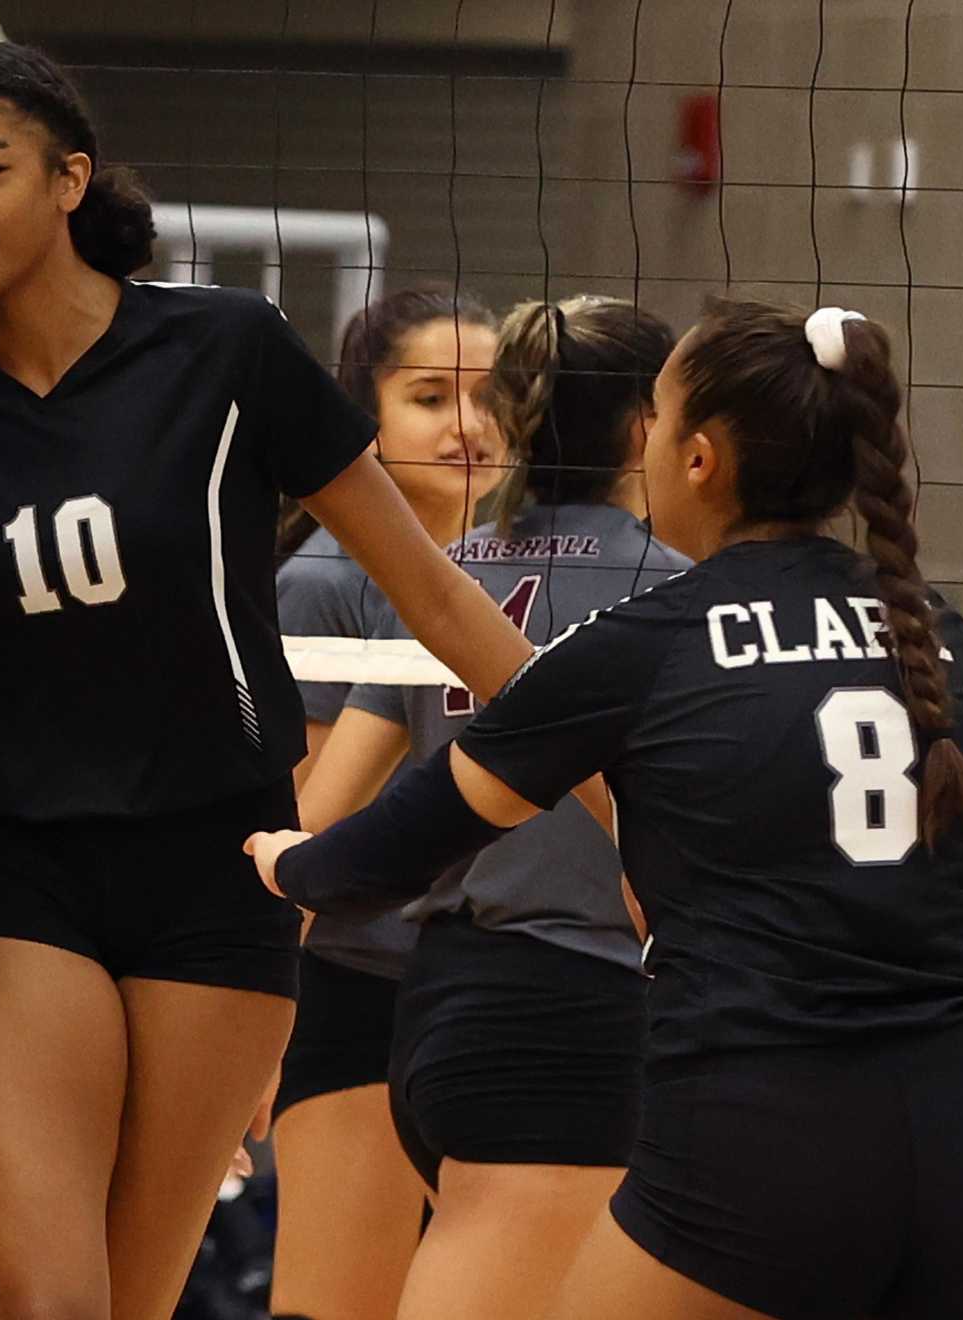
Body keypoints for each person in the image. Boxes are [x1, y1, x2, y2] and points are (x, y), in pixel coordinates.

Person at [0, 41, 537, 1319]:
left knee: (132, 1299)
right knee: (49, 1303)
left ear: (68, 181)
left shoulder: (224, 350)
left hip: (216, 878)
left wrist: (614, 779)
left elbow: (433, 592)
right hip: (26, 876)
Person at [249, 300, 963, 1320]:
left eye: (663, 419)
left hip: (757, 1123)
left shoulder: (655, 633)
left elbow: (407, 833)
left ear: (698, 458)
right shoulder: (946, 642)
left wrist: (288, 865)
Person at [298, 295, 686, 1319]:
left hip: (439, 1008)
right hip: (571, 1014)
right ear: (649, 426)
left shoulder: (441, 582)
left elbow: (325, 816)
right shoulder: (680, 595)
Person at [267, 284, 504, 1320]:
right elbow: (299, 824)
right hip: (359, 991)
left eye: (491, 394)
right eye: (428, 395)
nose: (467, 424)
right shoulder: (323, 580)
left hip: (484, 991)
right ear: (363, 417)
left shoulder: (519, 564)